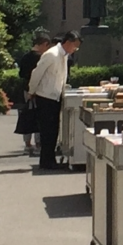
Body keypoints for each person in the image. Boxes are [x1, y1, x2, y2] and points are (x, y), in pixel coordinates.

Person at [28, 31, 83, 170]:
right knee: (47, 130)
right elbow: (36, 73)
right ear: (68, 42)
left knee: (53, 130)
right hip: (45, 97)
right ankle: (46, 162)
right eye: (75, 46)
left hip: (55, 97)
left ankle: (50, 159)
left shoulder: (63, 55)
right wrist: (31, 91)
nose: (75, 49)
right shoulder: (51, 54)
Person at [17, 32, 52, 155]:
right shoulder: (41, 58)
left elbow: (21, 74)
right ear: (44, 44)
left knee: (27, 114)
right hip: (39, 90)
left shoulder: (25, 57)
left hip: (26, 89)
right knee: (39, 116)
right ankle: (38, 144)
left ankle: (27, 144)